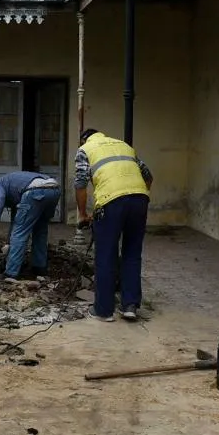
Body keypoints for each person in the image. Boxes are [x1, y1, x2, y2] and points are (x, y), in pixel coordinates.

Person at [74, 129, 152, 322]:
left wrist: (83, 214)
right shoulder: (123, 146)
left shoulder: (85, 149)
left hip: (111, 202)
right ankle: (130, 305)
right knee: (132, 254)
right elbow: (148, 176)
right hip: (140, 199)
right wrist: (135, 196)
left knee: (106, 255)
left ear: (84, 139)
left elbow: (80, 184)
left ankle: (103, 311)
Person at [0, 171, 60, 279]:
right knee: (40, 231)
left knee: (19, 234)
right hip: (54, 190)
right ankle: (39, 268)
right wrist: (9, 243)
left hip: (36, 192)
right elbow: (16, 221)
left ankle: (11, 273)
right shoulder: (16, 192)